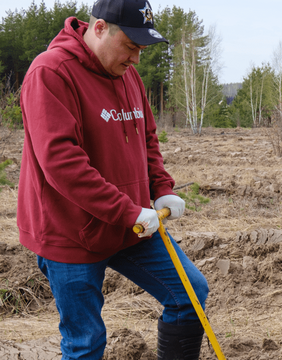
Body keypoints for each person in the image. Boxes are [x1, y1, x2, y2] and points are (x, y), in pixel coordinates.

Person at [17, 1, 209, 359]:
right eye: (131, 46)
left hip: (130, 226)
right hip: (70, 232)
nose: (136, 58)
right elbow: (61, 162)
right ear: (101, 28)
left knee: (189, 295)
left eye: (142, 48)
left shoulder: (128, 75)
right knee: (85, 343)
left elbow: (147, 140)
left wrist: (162, 188)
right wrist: (127, 211)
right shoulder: (52, 72)